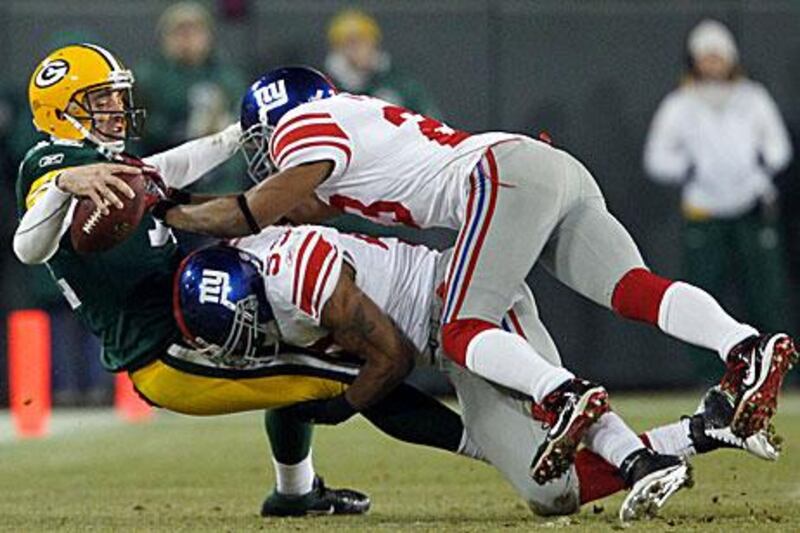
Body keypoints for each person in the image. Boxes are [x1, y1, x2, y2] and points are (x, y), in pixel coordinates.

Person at [159, 66, 798, 448]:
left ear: (278, 122)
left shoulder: (309, 128)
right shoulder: (350, 125)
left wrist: (164, 209)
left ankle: (565, 395)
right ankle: (743, 346)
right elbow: (283, 209)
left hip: (497, 179)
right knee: (632, 286)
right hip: (537, 165)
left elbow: (250, 212)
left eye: (259, 140)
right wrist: (186, 199)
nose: (263, 153)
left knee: (463, 329)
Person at [173, 224, 779, 521]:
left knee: (556, 430)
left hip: (466, 309)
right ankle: (706, 428)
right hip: (439, 345)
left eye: (246, 326)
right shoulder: (245, 282)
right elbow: (357, 394)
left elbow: (392, 361)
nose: (246, 342)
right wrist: (478, 447)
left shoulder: (298, 280)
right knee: (549, 489)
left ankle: (644, 456)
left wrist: (339, 406)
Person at [12, 43, 371, 517]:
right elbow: (27, 248)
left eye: (117, 97)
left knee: (299, 339)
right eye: (100, 100)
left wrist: (236, 135)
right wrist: (61, 186)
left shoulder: (104, 160)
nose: (116, 109)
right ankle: (476, 445)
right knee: (360, 368)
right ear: (60, 111)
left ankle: (296, 492)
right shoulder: (51, 160)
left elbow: (170, 166)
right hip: (166, 351)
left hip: (188, 324)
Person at [644, 19, 793, 380]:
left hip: (751, 210)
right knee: (702, 296)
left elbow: (779, 148)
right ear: (695, 60)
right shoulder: (680, 104)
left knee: (766, 294)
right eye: (706, 56)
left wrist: (759, 169)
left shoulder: (753, 98)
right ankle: (710, 379)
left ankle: (777, 374)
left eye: (718, 56)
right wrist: (689, 168)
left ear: (730, 58)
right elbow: (657, 157)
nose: (712, 63)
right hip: (704, 210)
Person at [135, 1, 247, 193]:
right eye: (180, 32)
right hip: (164, 168)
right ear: (165, 37)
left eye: (195, 31)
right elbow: (138, 131)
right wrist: (180, 130)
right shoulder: (147, 77)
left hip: (218, 174)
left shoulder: (228, 78)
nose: (187, 39)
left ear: (208, 36)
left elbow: (242, 127)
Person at [325, 8, 440, 116]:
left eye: (362, 41)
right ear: (337, 48)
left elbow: (431, 123)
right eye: (349, 43)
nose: (356, 49)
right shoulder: (328, 87)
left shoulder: (400, 84)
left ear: (373, 42)